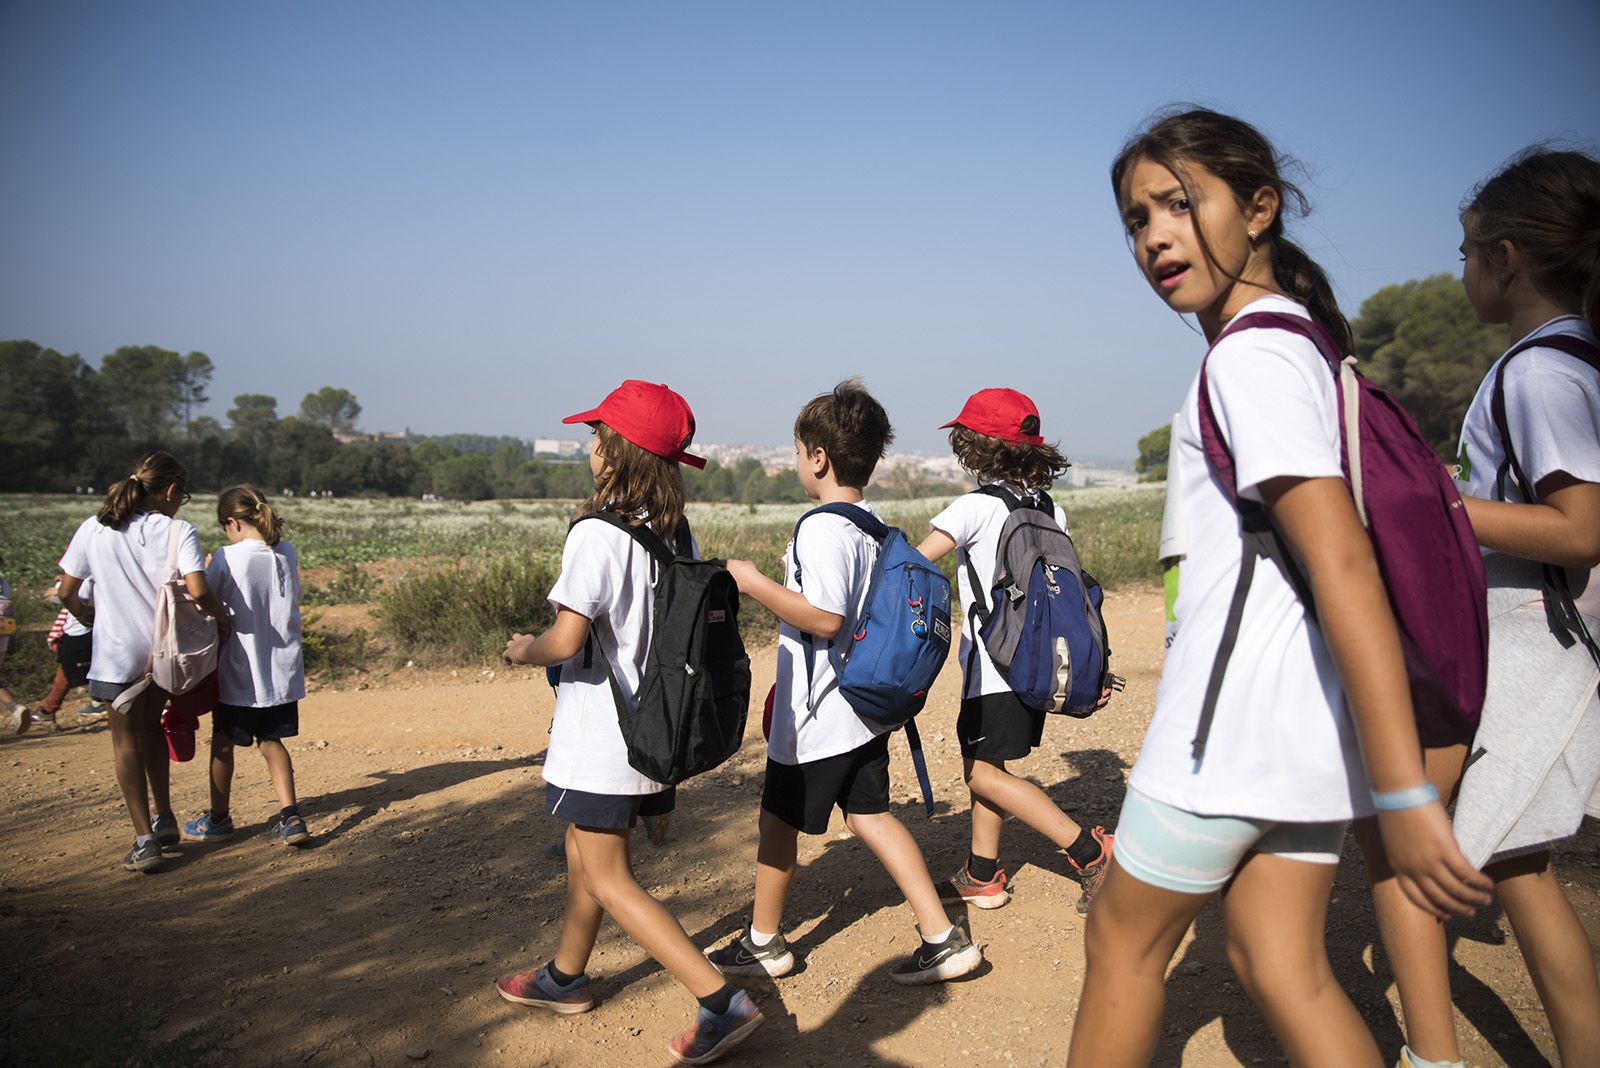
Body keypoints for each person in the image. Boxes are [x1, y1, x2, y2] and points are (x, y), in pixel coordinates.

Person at [1066, 108, 1493, 1067]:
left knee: (1121, 943)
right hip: (1305, 736)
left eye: (1180, 203)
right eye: (1138, 219)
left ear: (1259, 208)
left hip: (1231, 736)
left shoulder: (1250, 355)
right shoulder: (1298, 341)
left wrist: (1406, 792)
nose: (1156, 236)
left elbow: (1342, 563)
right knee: (1279, 963)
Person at [1370, 149, 1600, 1068]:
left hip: (1528, 659)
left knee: (1416, 843)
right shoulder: (1572, 359)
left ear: (1508, 258)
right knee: (1519, 866)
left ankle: (1433, 1057)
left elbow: (1581, 527)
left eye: (1466, 252)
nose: (1460, 269)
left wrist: (1431, 501)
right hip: (1541, 656)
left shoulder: (1540, 373)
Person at [496, 380, 763, 1067]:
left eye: (595, 434)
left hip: (600, 740)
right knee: (585, 856)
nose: (588, 445)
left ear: (615, 451)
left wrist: (522, 648)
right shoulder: (673, 532)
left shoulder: (595, 534)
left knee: (609, 875)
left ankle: (718, 1000)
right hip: (650, 729)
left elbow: (564, 641)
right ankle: (564, 976)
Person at [710, 378, 983, 986]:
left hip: (820, 716)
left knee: (777, 819)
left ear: (818, 457)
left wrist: (751, 582)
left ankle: (763, 942)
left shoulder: (821, 527)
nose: (796, 461)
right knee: (871, 815)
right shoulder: (871, 523)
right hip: (863, 707)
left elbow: (826, 616)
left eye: (798, 449)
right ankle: (942, 937)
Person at [913, 387, 1114, 914]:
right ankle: (982, 874)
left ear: (973, 446)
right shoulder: (1052, 508)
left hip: (993, 666)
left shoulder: (973, 508)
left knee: (982, 773)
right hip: (1033, 660)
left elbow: (913, 565)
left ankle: (1092, 854)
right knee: (990, 765)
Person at [57, 452, 231, 873]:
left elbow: (67, 590)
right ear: (171, 491)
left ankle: (144, 839)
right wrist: (219, 618)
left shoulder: (93, 528)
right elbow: (196, 586)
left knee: (125, 743)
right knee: (153, 730)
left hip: (116, 654)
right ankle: (165, 817)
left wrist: (85, 616)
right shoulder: (177, 531)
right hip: (162, 653)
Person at [182, 485, 311, 848]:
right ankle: (291, 816)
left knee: (223, 742)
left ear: (232, 523)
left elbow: (206, 599)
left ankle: (219, 818)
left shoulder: (226, 557)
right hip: (281, 671)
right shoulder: (286, 552)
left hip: (240, 670)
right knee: (271, 741)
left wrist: (207, 569)